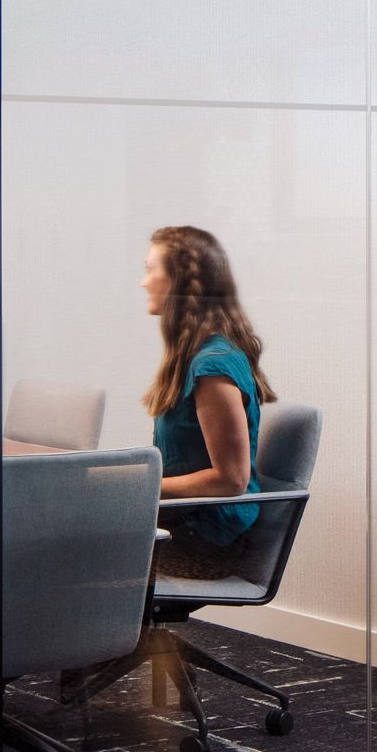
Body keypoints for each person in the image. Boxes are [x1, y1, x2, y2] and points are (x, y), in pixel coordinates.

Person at [142, 226, 277, 580]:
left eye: (150, 270)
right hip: (182, 518)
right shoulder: (195, 358)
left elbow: (230, 480)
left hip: (207, 537)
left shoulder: (211, 368)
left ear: (179, 282)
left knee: (65, 546)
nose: (144, 283)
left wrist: (142, 484)